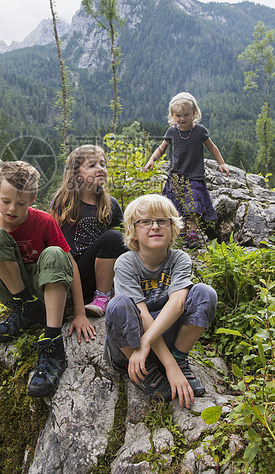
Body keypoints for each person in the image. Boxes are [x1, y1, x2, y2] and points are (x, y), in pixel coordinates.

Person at [0, 160, 95, 399]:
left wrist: (81, 313)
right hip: (17, 294)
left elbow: (69, 264)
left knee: (55, 253)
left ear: (31, 200)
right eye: (6, 201)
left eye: (21, 203)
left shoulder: (43, 221)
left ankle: (52, 342)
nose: (12, 209)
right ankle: (25, 309)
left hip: (48, 292)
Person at [104, 194, 217, 408]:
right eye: (145, 221)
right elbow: (143, 315)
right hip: (131, 346)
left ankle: (180, 357)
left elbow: (177, 305)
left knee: (205, 293)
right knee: (118, 305)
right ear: (133, 231)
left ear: (173, 227)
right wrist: (156, 357)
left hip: (161, 339)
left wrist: (172, 362)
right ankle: (143, 368)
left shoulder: (179, 259)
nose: (154, 226)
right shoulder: (126, 262)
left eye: (162, 221)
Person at [143, 92, 229, 248]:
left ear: (194, 113)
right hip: (176, 175)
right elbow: (161, 148)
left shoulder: (200, 131)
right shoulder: (172, 132)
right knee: (176, 206)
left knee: (193, 205)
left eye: (186, 115)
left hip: (194, 175)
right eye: (178, 115)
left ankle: (193, 234)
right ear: (172, 115)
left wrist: (221, 163)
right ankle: (182, 233)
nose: (182, 119)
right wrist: (152, 160)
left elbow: (211, 147)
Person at [51, 144, 126, 316]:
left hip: (104, 271)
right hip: (76, 272)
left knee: (120, 241)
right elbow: (53, 241)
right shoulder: (63, 201)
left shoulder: (111, 204)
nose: (100, 169)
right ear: (76, 174)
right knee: (113, 237)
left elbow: (113, 248)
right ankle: (102, 297)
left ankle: (109, 292)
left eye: (102, 164)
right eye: (92, 165)